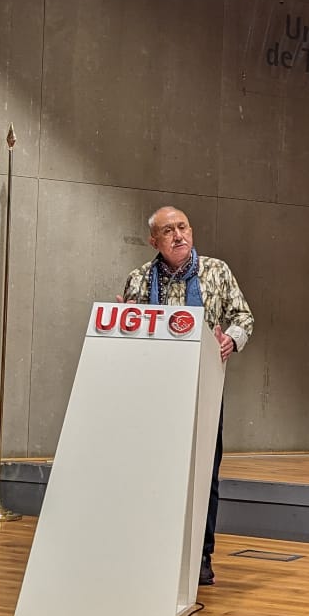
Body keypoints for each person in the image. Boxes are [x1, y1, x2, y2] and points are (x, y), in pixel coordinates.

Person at [119, 206, 255, 586]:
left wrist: (231, 338)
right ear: (154, 241)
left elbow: (243, 317)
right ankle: (152, 550)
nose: (178, 235)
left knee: (204, 474)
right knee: (153, 471)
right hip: (153, 392)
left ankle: (201, 556)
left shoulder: (217, 271)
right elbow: (128, 329)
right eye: (168, 231)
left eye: (182, 227)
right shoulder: (138, 279)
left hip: (203, 388)